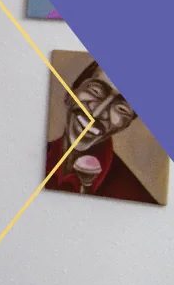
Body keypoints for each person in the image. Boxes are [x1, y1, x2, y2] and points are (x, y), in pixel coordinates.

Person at [44, 60, 155, 203]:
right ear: (70, 94)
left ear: (125, 125)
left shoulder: (132, 196)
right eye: (95, 91)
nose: (97, 113)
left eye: (121, 109)